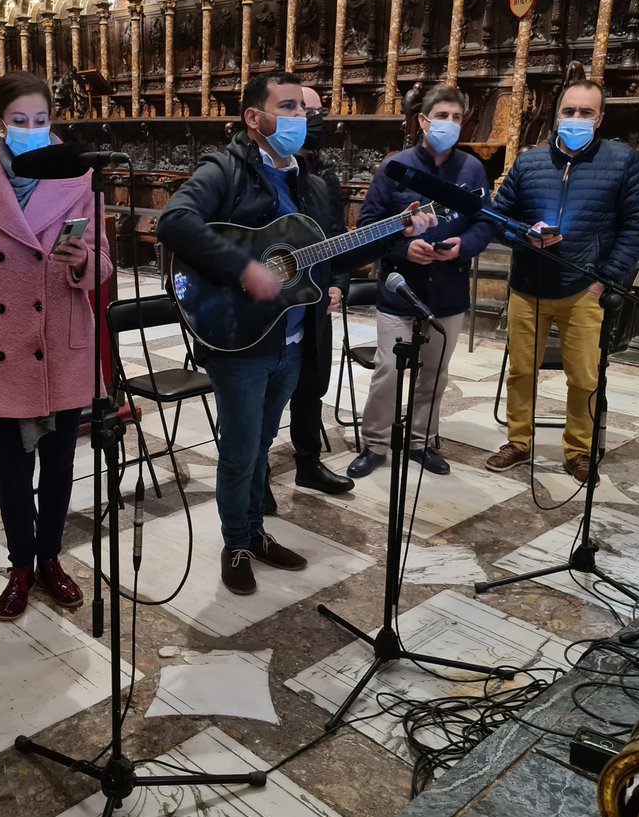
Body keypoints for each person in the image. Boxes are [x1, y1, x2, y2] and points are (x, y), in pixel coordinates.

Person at [157, 72, 434, 596]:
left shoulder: (310, 181)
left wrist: (395, 232)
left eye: (304, 109)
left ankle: (254, 532)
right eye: (286, 107)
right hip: (239, 335)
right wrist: (244, 269)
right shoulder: (225, 169)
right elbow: (175, 221)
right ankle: (235, 543)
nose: (300, 118)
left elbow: (331, 252)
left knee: (262, 444)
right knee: (240, 451)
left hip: (291, 336)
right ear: (253, 117)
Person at [0, 70, 112, 621]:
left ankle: (50, 560)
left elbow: (105, 262)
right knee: (15, 475)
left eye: (40, 121)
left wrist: (84, 263)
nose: (31, 130)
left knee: (62, 466)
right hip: (3, 346)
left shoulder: (80, 176)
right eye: (19, 121)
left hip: (61, 342)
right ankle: (21, 566)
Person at [485, 79, 639, 483]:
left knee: (584, 376)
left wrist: (604, 281)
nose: (575, 119)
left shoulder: (621, 161)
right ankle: (518, 441)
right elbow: (497, 220)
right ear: (557, 114)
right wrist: (523, 235)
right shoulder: (529, 163)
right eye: (569, 111)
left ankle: (579, 449)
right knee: (521, 371)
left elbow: (638, 227)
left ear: (600, 119)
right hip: (529, 287)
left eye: (585, 113)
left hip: (584, 288)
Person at [348, 85, 494, 480]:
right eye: (442, 116)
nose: (449, 124)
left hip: (447, 292)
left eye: (457, 117)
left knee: (434, 374)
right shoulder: (395, 167)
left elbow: (485, 223)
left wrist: (462, 246)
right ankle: (375, 444)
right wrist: (402, 248)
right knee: (388, 374)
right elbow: (367, 228)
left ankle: (421, 441)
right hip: (400, 289)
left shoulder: (472, 169)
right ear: (423, 120)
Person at [264, 85, 354, 516]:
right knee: (262, 403)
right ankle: (256, 477)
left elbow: (338, 238)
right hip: (270, 307)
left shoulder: (324, 177)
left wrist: (338, 282)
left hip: (314, 298)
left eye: (316, 111)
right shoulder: (259, 171)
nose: (311, 119)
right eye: (302, 110)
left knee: (312, 385)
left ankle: (308, 462)